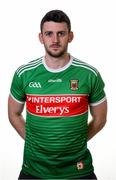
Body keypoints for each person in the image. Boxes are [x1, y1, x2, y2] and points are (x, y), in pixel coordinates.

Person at [8, 10, 107, 179]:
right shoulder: (24, 73)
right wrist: (35, 143)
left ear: (70, 36)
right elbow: (13, 114)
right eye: (49, 34)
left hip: (78, 170)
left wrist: (76, 143)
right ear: (41, 37)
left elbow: (100, 119)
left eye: (61, 33)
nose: (55, 40)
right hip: (34, 170)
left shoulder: (89, 74)